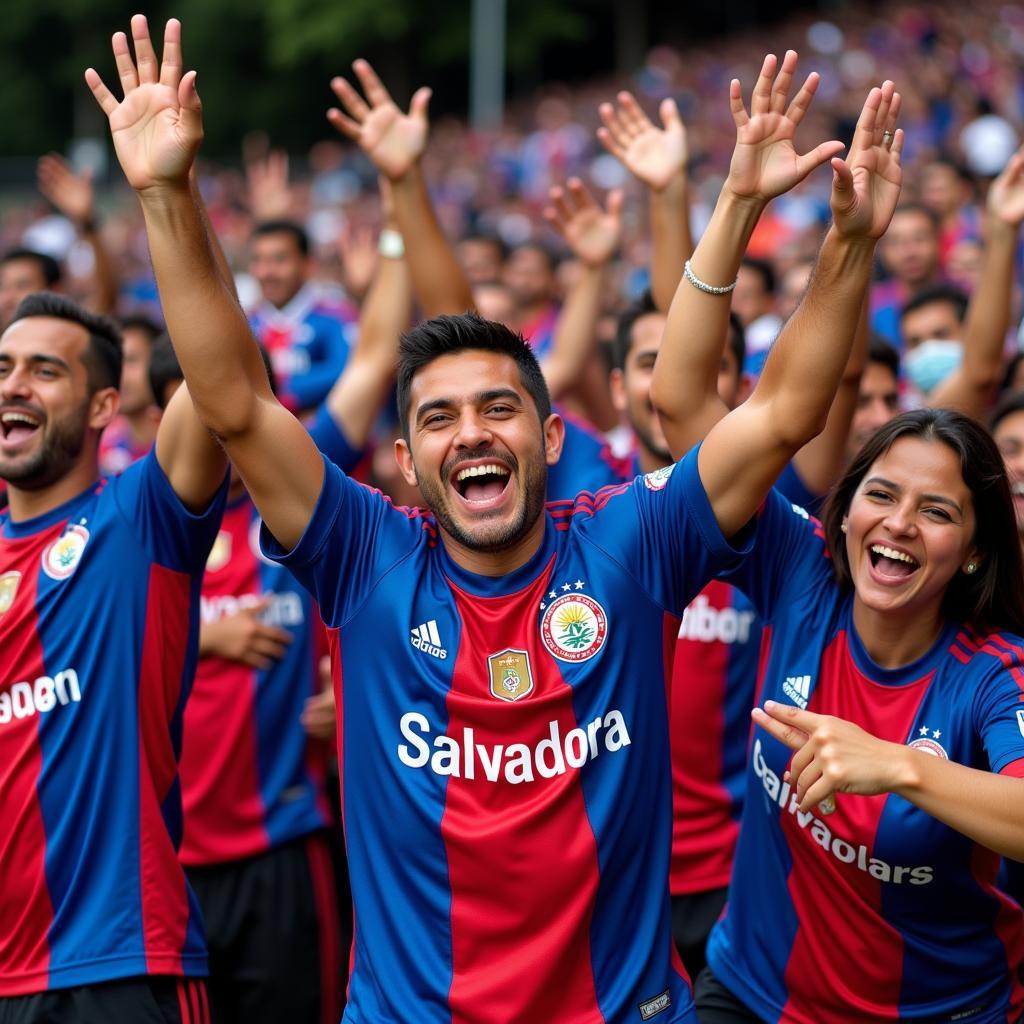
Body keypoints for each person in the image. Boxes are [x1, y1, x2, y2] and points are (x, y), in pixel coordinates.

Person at [89, 26, 895, 1022]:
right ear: (407, 464)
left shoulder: (629, 540)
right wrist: (167, 193)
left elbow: (780, 414)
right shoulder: (367, 554)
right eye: (438, 417)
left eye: (499, 407)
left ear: (553, 434)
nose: (472, 431)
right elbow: (237, 403)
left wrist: (847, 243)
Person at [178, 196, 413, 1024]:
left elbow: (379, 349)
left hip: (285, 845)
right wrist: (204, 638)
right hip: (164, 866)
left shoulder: (310, 501)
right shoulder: (144, 520)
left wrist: (394, 211)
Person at [0, 288, 226, 1018]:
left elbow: (219, 369)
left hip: (122, 966)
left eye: (44, 371)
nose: (12, 386)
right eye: (2, 368)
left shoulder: (137, 518)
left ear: (102, 406)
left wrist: (167, 194)